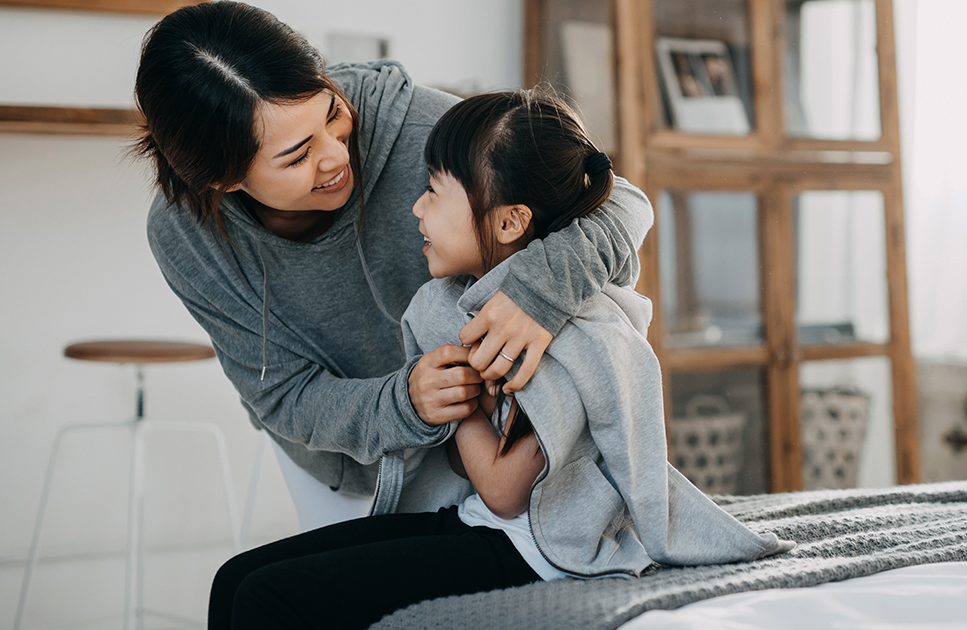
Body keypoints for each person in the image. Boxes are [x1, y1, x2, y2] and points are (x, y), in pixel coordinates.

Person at [208, 89, 791, 630]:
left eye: (433, 191)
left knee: (266, 596)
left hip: (540, 551)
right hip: (486, 525)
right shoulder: (469, 305)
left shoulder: (554, 337)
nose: (416, 208)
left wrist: (459, 404)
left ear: (510, 221)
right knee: (234, 578)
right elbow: (469, 470)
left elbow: (504, 490)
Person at [134, 0, 654, 526]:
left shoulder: (420, 125)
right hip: (342, 467)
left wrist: (538, 291)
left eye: (332, 114)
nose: (336, 155)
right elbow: (283, 395)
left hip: (493, 452)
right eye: (298, 156)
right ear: (222, 180)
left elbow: (620, 202)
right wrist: (404, 402)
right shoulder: (185, 236)